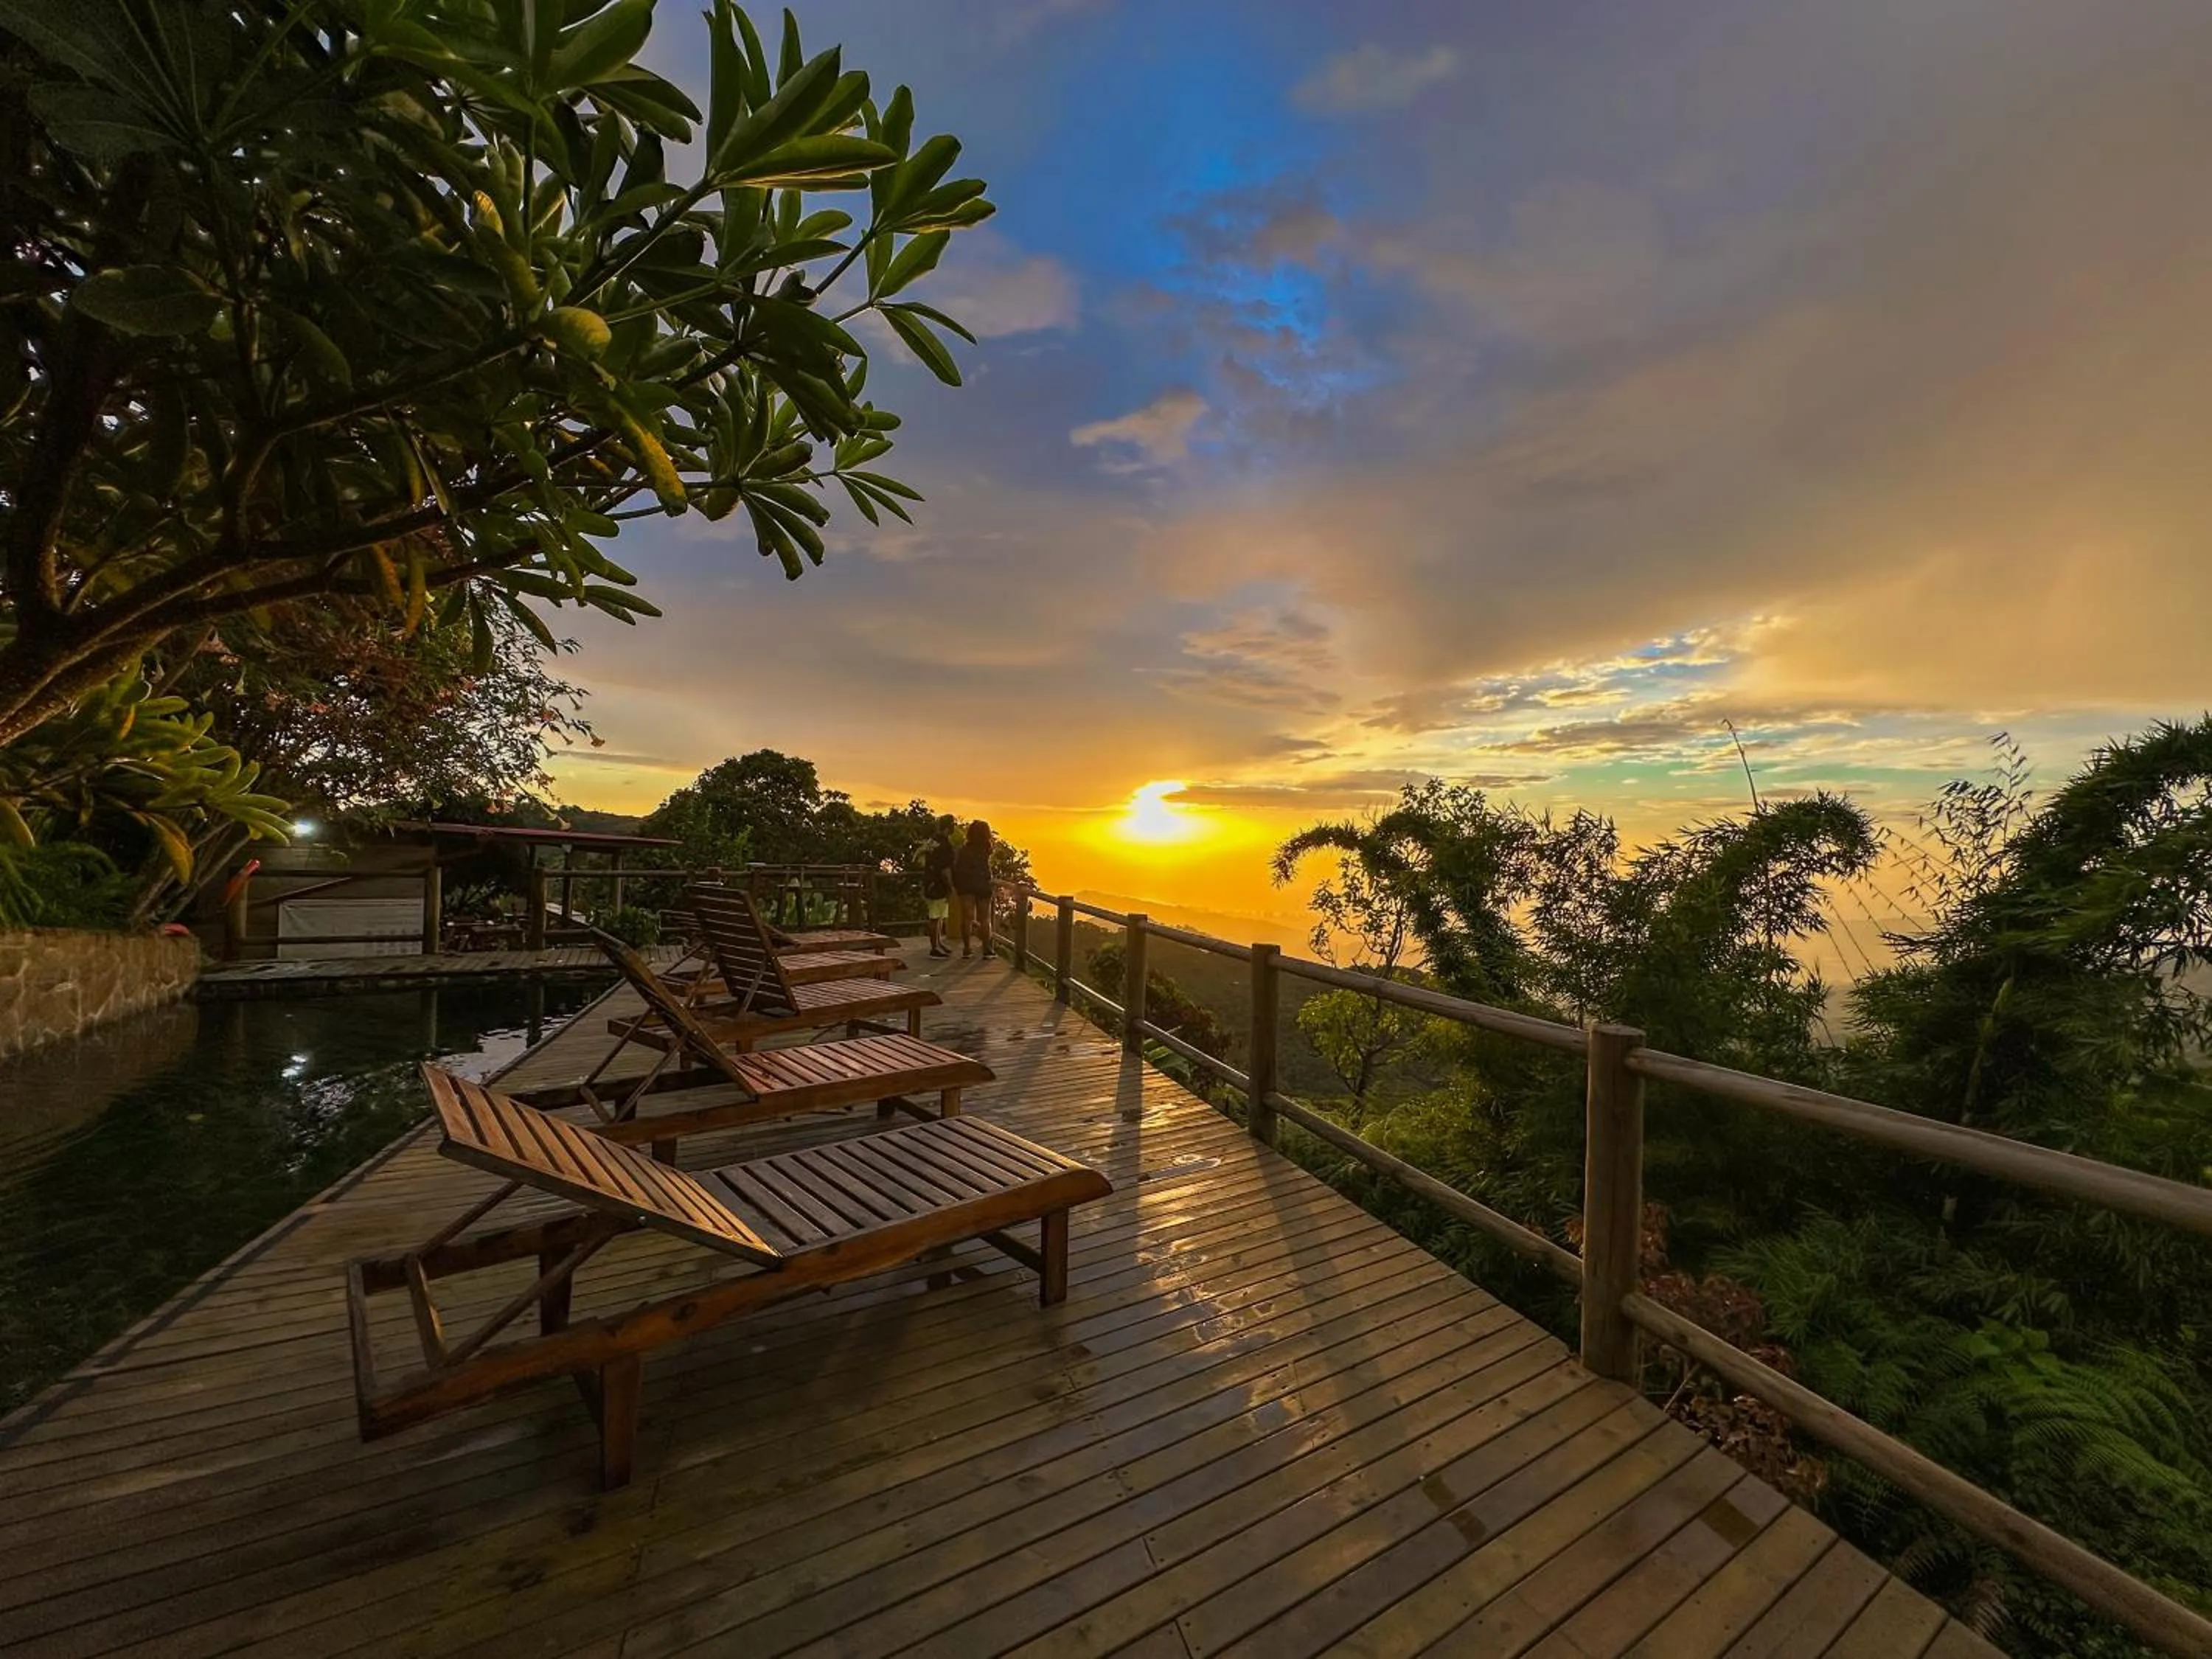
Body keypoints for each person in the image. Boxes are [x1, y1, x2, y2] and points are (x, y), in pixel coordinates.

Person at [951, 819, 995, 959]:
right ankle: (987, 949)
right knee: (985, 919)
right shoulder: (987, 848)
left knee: (967, 918)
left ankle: (967, 948)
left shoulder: (963, 850)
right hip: (982, 884)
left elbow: (957, 868)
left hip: (966, 885)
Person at [919, 815, 958, 958]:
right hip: (938, 885)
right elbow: (945, 870)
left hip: (929, 881)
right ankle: (934, 948)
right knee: (935, 917)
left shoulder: (932, 841)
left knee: (939, 915)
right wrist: (950, 886)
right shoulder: (945, 845)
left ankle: (938, 943)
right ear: (949, 827)